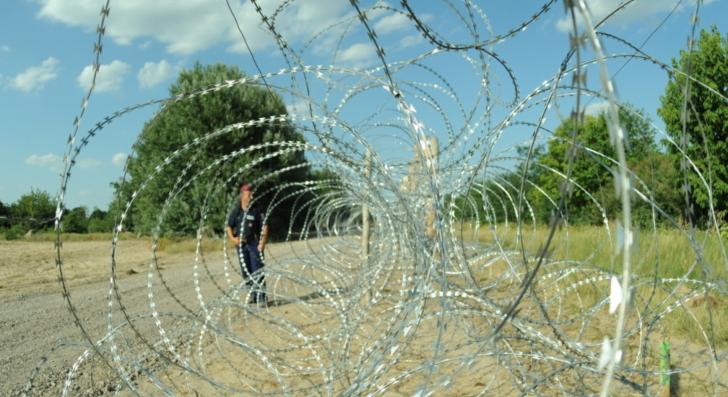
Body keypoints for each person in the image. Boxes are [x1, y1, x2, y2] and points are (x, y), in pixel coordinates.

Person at [226, 183, 269, 305]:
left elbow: (265, 227)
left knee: (257, 271)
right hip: (241, 245)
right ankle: (252, 295)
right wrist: (233, 239)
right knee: (246, 271)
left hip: (254, 244)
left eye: (252, 194)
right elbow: (229, 226)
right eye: (249, 194)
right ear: (242, 195)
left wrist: (262, 242)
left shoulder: (257, 209)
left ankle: (261, 297)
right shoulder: (237, 211)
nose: (251, 197)